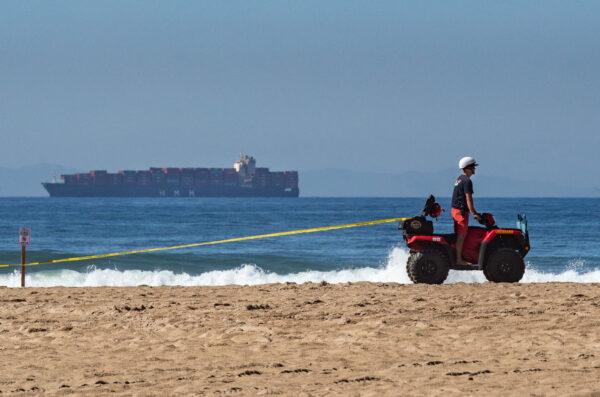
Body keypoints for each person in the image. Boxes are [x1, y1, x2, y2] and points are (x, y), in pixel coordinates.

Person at [452, 156, 482, 265]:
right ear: (467, 168)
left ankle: (459, 257)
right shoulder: (467, 181)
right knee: (461, 235)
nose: (474, 169)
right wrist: (474, 213)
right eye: (473, 167)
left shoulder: (459, 178)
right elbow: (468, 199)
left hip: (456, 210)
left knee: (460, 234)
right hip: (460, 211)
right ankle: (459, 260)